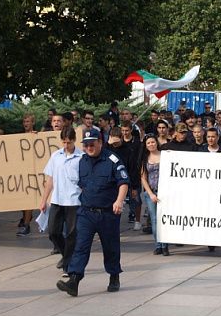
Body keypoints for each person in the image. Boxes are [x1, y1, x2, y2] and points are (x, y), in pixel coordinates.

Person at [57, 129, 129, 297]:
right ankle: (74, 280)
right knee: (80, 246)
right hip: (86, 212)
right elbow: (82, 184)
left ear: (100, 143)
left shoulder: (112, 160)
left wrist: (119, 201)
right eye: (86, 144)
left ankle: (114, 276)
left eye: (92, 144)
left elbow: (123, 181)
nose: (89, 147)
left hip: (107, 213)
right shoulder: (82, 161)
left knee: (110, 247)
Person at [40, 127, 83, 275]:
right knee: (53, 232)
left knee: (71, 234)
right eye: (64, 142)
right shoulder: (55, 156)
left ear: (74, 141)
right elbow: (50, 179)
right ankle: (66, 255)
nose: (66, 146)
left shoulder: (81, 157)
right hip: (57, 200)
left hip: (74, 201)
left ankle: (68, 265)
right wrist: (44, 199)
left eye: (69, 143)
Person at [140, 134, 168, 255]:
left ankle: (165, 245)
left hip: (165, 192)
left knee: (165, 219)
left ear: (156, 142)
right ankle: (158, 245)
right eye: (148, 143)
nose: (151, 144)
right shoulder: (145, 158)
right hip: (151, 192)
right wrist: (150, 193)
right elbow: (143, 178)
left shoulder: (166, 156)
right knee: (155, 220)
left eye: (153, 142)